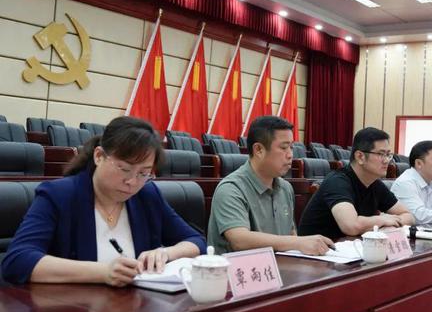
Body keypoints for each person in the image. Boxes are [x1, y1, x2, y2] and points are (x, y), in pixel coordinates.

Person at [1, 117, 205, 286]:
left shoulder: (147, 195)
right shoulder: (59, 195)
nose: (132, 182)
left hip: (136, 310)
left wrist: (165, 253)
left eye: (143, 173)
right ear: (99, 156)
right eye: (124, 169)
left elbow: (196, 241)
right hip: (71, 311)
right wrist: (103, 272)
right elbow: (17, 261)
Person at [207, 116, 333, 255]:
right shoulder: (231, 189)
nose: (290, 155)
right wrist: (298, 242)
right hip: (239, 268)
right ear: (259, 150)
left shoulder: (286, 188)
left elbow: (291, 235)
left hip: (280, 266)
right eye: (284, 148)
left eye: (291, 147)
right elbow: (239, 240)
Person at [298, 127, 414, 239]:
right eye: (381, 154)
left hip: (351, 247)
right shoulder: (337, 181)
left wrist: (390, 223)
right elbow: (351, 226)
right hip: (318, 249)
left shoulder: (375, 184)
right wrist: (382, 220)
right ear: (360, 157)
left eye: (388, 155)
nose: (387, 160)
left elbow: (409, 216)